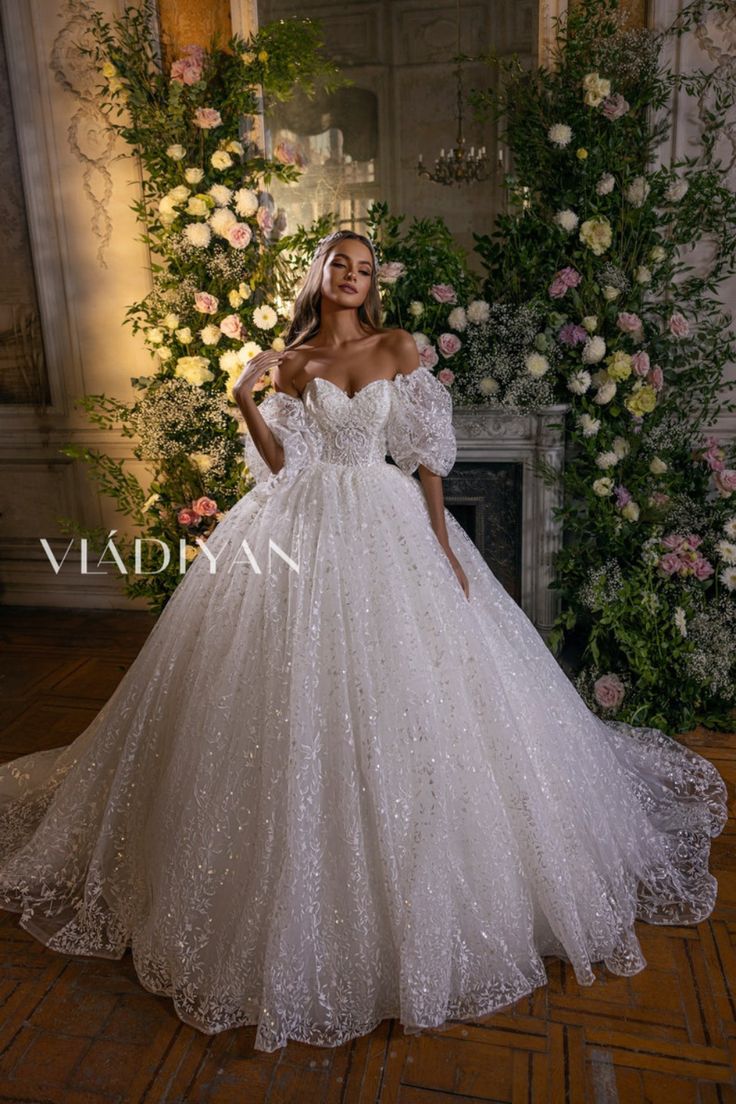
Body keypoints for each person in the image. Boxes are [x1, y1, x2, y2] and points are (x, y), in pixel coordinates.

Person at [0, 229, 727, 1054]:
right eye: (338, 264)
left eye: (364, 267)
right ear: (318, 275)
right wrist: (246, 396)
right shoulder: (296, 360)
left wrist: (446, 546)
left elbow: (424, 460)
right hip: (300, 526)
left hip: (386, 527)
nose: (351, 276)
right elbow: (280, 469)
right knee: (286, 692)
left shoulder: (398, 346)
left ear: (374, 282)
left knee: (421, 694)